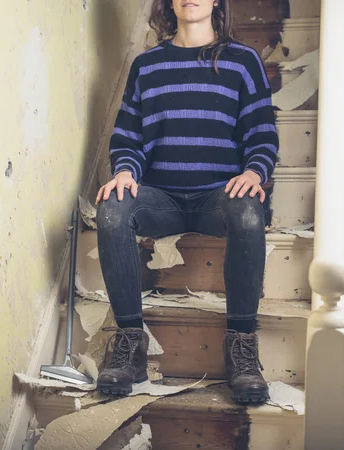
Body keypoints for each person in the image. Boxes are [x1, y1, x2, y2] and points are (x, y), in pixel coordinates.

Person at [94, 0, 278, 405]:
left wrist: (254, 172)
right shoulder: (147, 65)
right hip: (163, 198)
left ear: (216, 2)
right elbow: (128, 137)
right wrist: (125, 171)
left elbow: (262, 135)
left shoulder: (242, 62)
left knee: (249, 211)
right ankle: (130, 347)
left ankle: (242, 350)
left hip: (219, 196)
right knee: (111, 209)